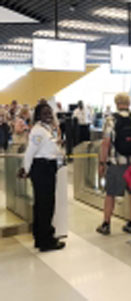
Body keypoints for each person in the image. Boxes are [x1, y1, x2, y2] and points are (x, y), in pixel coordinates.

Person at [19, 103, 65, 252]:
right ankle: (46, 241)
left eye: (50, 113)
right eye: (45, 113)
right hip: (42, 168)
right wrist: (25, 169)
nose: (49, 115)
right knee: (45, 205)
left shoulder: (47, 129)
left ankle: (41, 236)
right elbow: (30, 152)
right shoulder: (39, 131)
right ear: (38, 115)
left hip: (48, 167)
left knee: (42, 204)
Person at [96, 93, 131, 235]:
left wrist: (102, 163)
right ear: (129, 102)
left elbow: (106, 143)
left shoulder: (111, 120)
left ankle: (106, 224)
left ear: (116, 103)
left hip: (116, 163)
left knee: (111, 194)